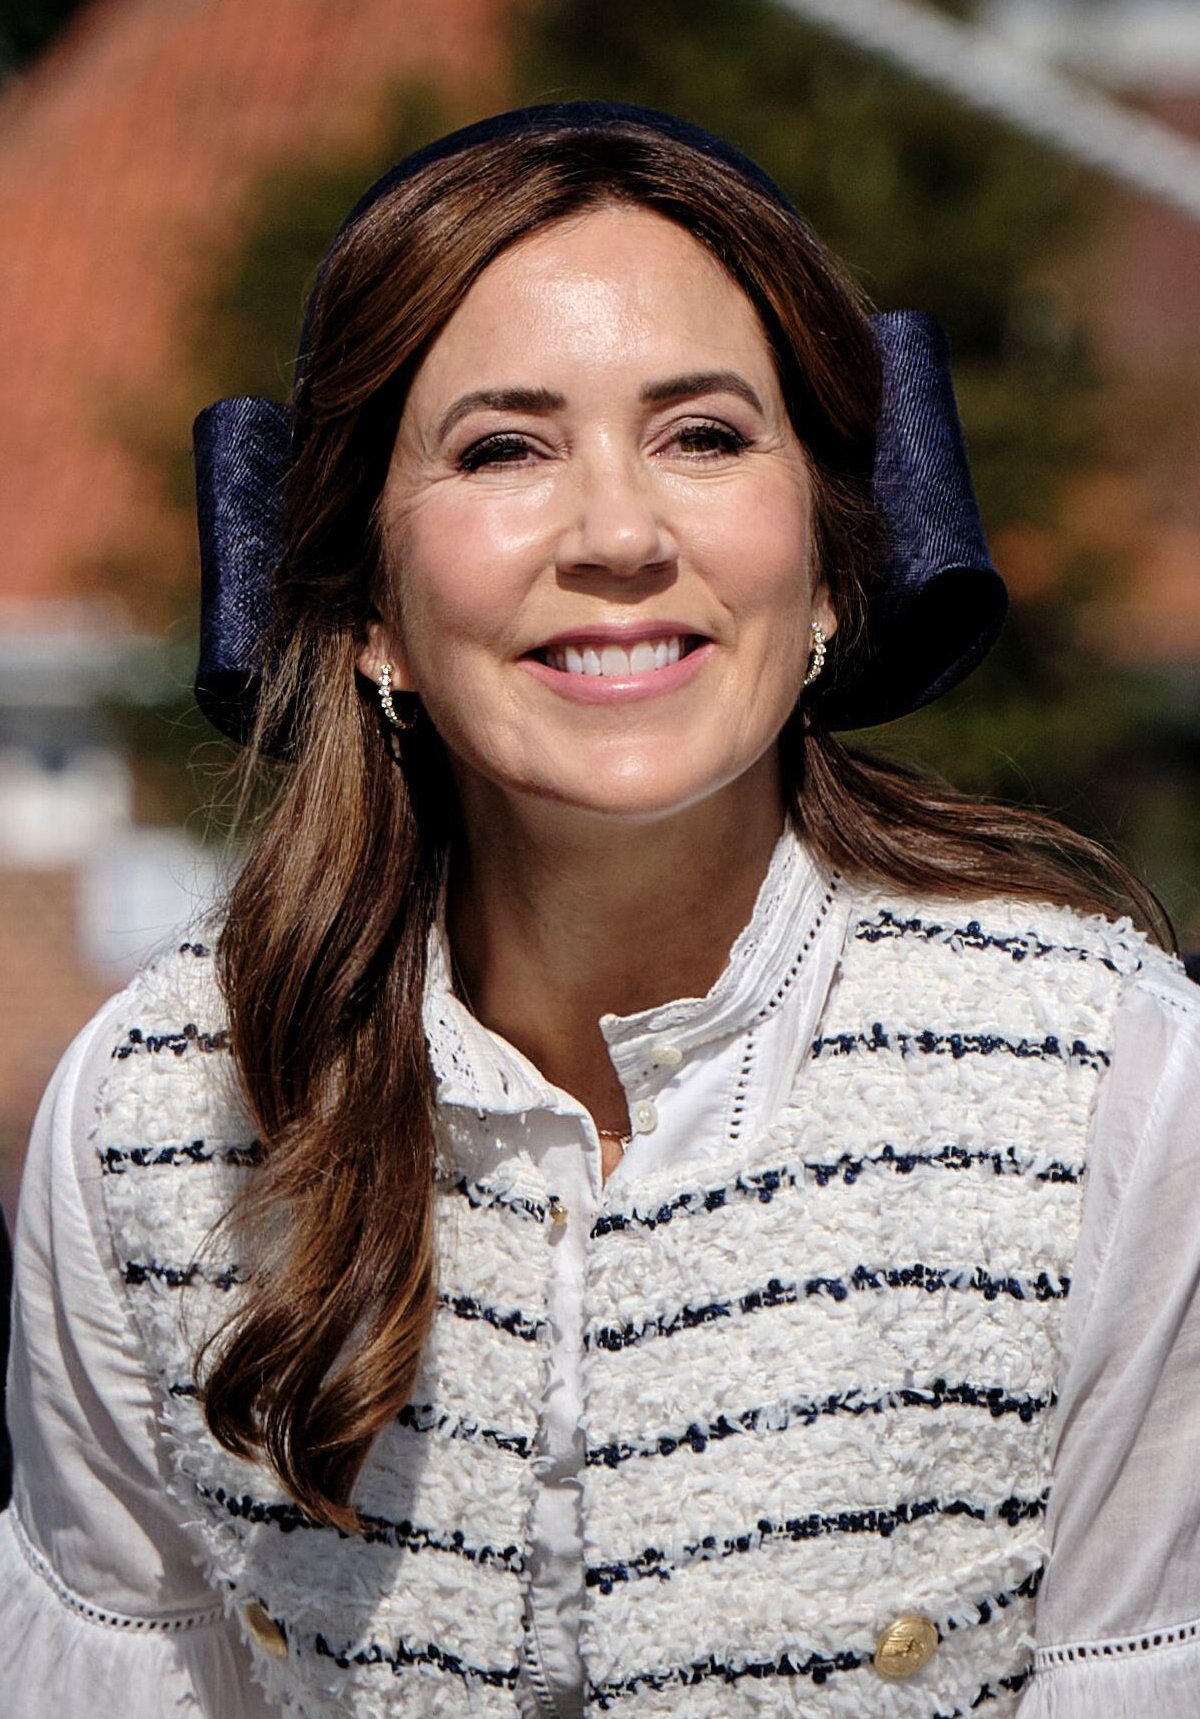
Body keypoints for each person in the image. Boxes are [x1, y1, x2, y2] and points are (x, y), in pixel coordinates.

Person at [0, 101, 1197, 1719]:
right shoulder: (158, 1116)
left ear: (837, 560)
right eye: (505, 448)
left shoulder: (1116, 1095)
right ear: (365, 607)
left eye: (704, 435)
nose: (621, 535)